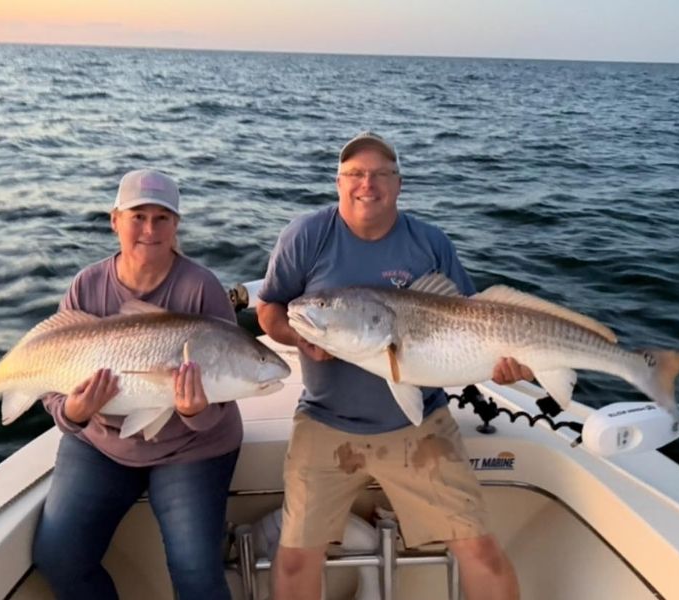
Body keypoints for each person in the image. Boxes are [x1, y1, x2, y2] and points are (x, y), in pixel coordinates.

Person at [257, 132, 531, 600]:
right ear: (339, 183)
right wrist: (299, 336)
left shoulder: (429, 242)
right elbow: (270, 310)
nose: (368, 184)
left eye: (381, 174)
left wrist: (504, 364)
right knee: (297, 557)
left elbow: (469, 320)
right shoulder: (306, 235)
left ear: (399, 184)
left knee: (481, 551)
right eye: (355, 174)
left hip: (422, 422)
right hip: (326, 421)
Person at [33, 169, 241, 600]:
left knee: (196, 573)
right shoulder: (87, 286)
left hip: (191, 449)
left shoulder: (202, 289)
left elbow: (226, 389)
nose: (150, 229)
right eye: (138, 216)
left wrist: (194, 411)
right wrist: (72, 413)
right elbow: (51, 381)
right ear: (115, 221)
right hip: (101, 443)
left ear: (176, 225)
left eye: (162, 217)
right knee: (59, 556)